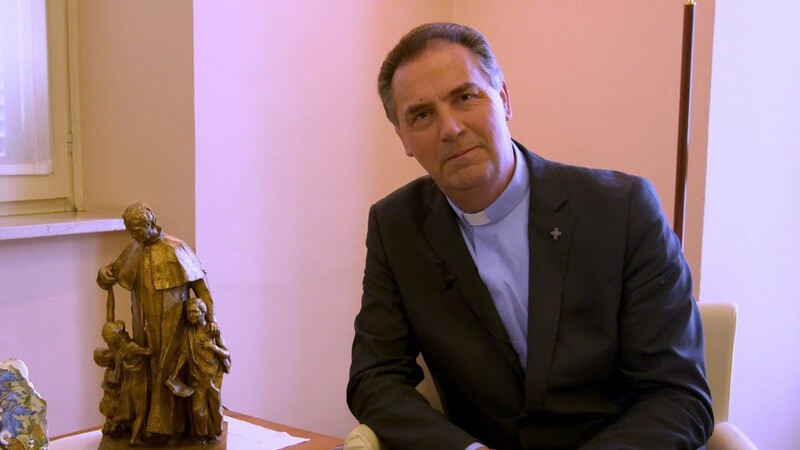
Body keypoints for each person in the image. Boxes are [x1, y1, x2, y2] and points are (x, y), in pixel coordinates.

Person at [347, 22, 713, 450]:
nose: (450, 128)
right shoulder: (396, 226)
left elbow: (678, 395)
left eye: (465, 97)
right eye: (422, 115)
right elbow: (375, 377)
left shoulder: (622, 210)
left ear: (503, 99)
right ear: (404, 138)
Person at [97, 203, 219, 442]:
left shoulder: (176, 248)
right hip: (142, 323)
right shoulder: (134, 248)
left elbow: (201, 287)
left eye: (137, 230)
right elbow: (111, 274)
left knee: (168, 371)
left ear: (151, 223)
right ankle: (143, 425)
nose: (135, 236)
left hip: (173, 324)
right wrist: (103, 275)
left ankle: (167, 430)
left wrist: (211, 319)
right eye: (131, 231)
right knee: (146, 371)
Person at [168, 298, 231, 443]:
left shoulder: (212, 331)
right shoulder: (189, 332)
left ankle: (215, 433)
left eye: (194, 312)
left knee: (214, 406)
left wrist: (212, 347)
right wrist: (175, 373)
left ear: (203, 312)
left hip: (212, 376)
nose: (191, 315)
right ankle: (202, 435)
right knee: (197, 407)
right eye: (188, 312)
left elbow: (226, 353)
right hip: (196, 375)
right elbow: (184, 354)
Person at [98, 320, 153, 444]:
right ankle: (135, 438)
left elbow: (118, 374)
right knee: (141, 413)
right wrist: (148, 333)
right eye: (123, 332)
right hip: (138, 383)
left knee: (129, 411)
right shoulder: (131, 347)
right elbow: (150, 351)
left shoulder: (118, 352)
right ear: (120, 337)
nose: (126, 333)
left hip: (128, 384)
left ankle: (136, 431)